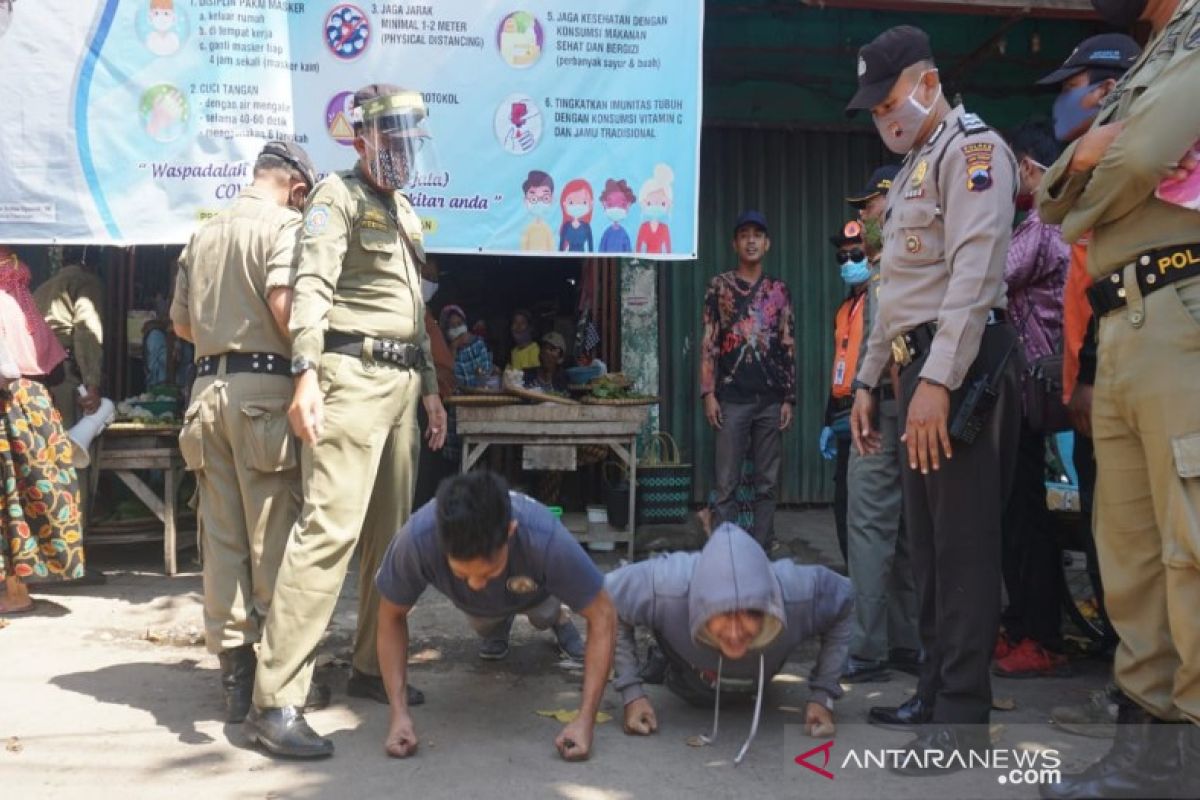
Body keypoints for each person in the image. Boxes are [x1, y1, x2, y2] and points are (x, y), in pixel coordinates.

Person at [244, 84, 448, 759]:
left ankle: (371, 667)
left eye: (411, 138)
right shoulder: (336, 196)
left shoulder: (407, 212)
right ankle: (275, 699)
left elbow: (413, 312)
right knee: (327, 534)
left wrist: (434, 393)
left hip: (401, 387)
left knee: (392, 541)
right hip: (349, 378)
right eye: (390, 137)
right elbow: (312, 290)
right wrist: (305, 372)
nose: (402, 150)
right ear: (361, 139)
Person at [846, 25, 1022, 771]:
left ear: (928, 82)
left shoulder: (972, 152)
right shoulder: (919, 164)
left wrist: (939, 384)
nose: (885, 118)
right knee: (927, 547)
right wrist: (865, 379)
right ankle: (930, 691)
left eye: (891, 101)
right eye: (875, 109)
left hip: (964, 370)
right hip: (915, 373)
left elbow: (976, 276)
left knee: (964, 549)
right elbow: (897, 294)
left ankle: (960, 718)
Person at [1037, 1, 1200, 796]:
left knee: (1191, 545)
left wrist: (1075, 183)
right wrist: (1076, 177)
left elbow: (1134, 161)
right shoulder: (1153, 53)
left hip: (1184, 310)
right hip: (1126, 318)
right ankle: (1147, 755)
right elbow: (1054, 199)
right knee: (1129, 553)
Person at [170, 141, 318, 723]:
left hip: (206, 396)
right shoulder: (284, 225)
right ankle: (275, 685)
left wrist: (222, 340)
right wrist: (306, 362)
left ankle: (234, 677)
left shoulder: (204, 232)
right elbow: (285, 306)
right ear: (297, 186)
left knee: (223, 536)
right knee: (273, 538)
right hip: (266, 393)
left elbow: (181, 323)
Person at [1035, 31, 1140, 737]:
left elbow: (1114, 290)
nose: (1060, 103)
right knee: (1114, 546)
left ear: (1105, 87)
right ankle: (1130, 685)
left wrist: (1092, 379)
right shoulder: (1087, 181)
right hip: (1094, 394)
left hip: (1126, 385)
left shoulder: (1138, 169)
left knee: (1141, 549)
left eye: (1069, 86)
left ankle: (1146, 701)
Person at [375, 471, 614, 761]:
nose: (475, 584)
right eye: (463, 574)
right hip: (479, 611)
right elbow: (390, 615)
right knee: (483, 624)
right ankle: (499, 621)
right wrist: (398, 716)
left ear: (510, 532)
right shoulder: (417, 539)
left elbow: (602, 614)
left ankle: (559, 619)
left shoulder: (545, 539)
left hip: (538, 593)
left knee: (544, 614)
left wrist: (585, 721)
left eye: (487, 572)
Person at [606, 523, 852, 762]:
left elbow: (846, 600)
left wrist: (823, 694)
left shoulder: (799, 591)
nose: (734, 634)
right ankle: (663, 658)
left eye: (750, 614)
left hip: (761, 681)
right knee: (692, 686)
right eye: (722, 616)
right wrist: (631, 692)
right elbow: (607, 598)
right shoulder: (667, 584)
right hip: (690, 675)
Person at [993, 121, 1072, 680]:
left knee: (1027, 520)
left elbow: (993, 274)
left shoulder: (1044, 223)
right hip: (1026, 390)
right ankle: (1022, 624)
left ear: (1024, 168)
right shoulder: (1045, 220)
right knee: (1018, 517)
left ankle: (1041, 637)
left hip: (1031, 394)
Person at [840, 166, 922, 684]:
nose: (861, 217)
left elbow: (888, 344)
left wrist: (867, 395)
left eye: (868, 206)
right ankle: (908, 641)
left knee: (870, 526)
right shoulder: (915, 255)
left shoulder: (891, 263)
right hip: (916, 406)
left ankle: (868, 649)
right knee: (908, 530)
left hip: (887, 411)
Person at [700, 210, 796, 550]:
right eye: (744, 235)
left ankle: (761, 547)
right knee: (726, 482)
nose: (751, 240)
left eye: (758, 234)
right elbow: (709, 340)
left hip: (770, 399)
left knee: (767, 483)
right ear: (735, 243)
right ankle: (726, 551)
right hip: (732, 398)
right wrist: (708, 392)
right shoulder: (720, 287)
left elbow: (787, 342)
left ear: (767, 244)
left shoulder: (778, 290)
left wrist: (789, 397)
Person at [1, 255, 84, 615]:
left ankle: (15, 593)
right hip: (31, 403)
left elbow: (4, 369)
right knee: (22, 495)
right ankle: (18, 588)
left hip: (10, 407)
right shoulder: (17, 301)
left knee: (12, 499)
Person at [820, 220, 871, 561]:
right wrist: (827, 418)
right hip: (842, 411)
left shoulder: (880, 300)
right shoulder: (843, 309)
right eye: (842, 258)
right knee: (843, 502)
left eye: (855, 255)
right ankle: (854, 579)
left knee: (867, 504)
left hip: (869, 411)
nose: (849, 263)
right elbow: (840, 362)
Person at [33, 246, 105, 429]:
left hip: (38, 373)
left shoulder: (43, 287)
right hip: (65, 372)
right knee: (71, 442)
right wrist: (92, 385)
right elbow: (86, 330)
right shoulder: (86, 281)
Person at [440, 304, 495, 389]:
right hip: (458, 399)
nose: (457, 328)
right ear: (446, 332)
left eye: (459, 324)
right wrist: (453, 349)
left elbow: (486, 371)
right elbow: (448, 379)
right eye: (452, 326)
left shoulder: (478, 343)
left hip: (481, 395)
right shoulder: (445, 351)